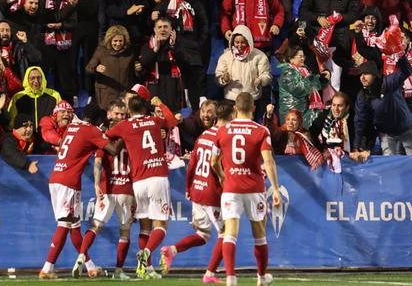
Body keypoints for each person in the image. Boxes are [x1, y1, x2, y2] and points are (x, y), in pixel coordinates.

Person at [40, 106, 120, 280]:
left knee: (74, 226)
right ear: (99, 123)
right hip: (67, 181)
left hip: (59, 177)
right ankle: (47, 268)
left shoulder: (72, 127)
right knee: (64, 224)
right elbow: (113, 150)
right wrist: (121, 135)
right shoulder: (91, 131)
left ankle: (90, 267)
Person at [105, 95, 180, 279]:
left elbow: (107, 135)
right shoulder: (154, 121)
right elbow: (172, 121)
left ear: (129, 111)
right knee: (161, 225)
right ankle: (146, 253)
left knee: (145, 227)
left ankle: (147, 269)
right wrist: (160, 103)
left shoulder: (125, 125)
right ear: (145, 109)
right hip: (157, 178)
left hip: (138, 182)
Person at [210, 93, 282, 286]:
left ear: (235, 108)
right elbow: (268, 161)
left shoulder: (222, 131)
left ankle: (231, 277)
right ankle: (261, 277)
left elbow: (213, 161)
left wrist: (223, 176)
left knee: (230, 233)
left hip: (231, 188)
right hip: (254, 187)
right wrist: (275, 189)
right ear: (253, 108)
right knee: (259, 233)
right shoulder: (261, 131)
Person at [160, 100, 233, 283]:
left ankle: (172, 250)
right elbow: (221, 165)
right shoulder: (224, 137)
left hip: (197, 190)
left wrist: (188, 188)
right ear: (229, 117)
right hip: (211, 192)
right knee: (226, 234)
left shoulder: (203, 136)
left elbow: (191, 164)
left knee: (203, 235)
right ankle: (210, 274)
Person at [74, 100, 133, 280]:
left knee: (96, 226)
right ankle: (119, 271)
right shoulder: (129, 135)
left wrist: (97, 183)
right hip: (122, 189)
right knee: (124, 230)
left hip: (111, 188)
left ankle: (81, 255)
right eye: (117, 114)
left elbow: (98, 162)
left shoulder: (104, 136)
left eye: (123, 114)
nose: (120, 117)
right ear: (109, 114)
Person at [85, 25, 136, 111]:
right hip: (106, 94)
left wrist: (138, 69)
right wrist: (96, 68)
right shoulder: (101, 50)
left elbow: (134, 72)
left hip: (124, 92)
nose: (118, 44)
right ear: (109, 40)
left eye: (121, 41)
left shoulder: (130, 52)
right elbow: (88, 69)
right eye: (115, 41)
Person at [278, 46, 330, 129]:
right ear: (291, 59)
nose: (303, 58)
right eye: (300, 56)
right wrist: (313, 79)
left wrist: (323, 80)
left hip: (304, 110)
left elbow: (314, 86)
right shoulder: (287, 72)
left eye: (303, 56)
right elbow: (299, 90)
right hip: (291, 111)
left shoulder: (303, 70)